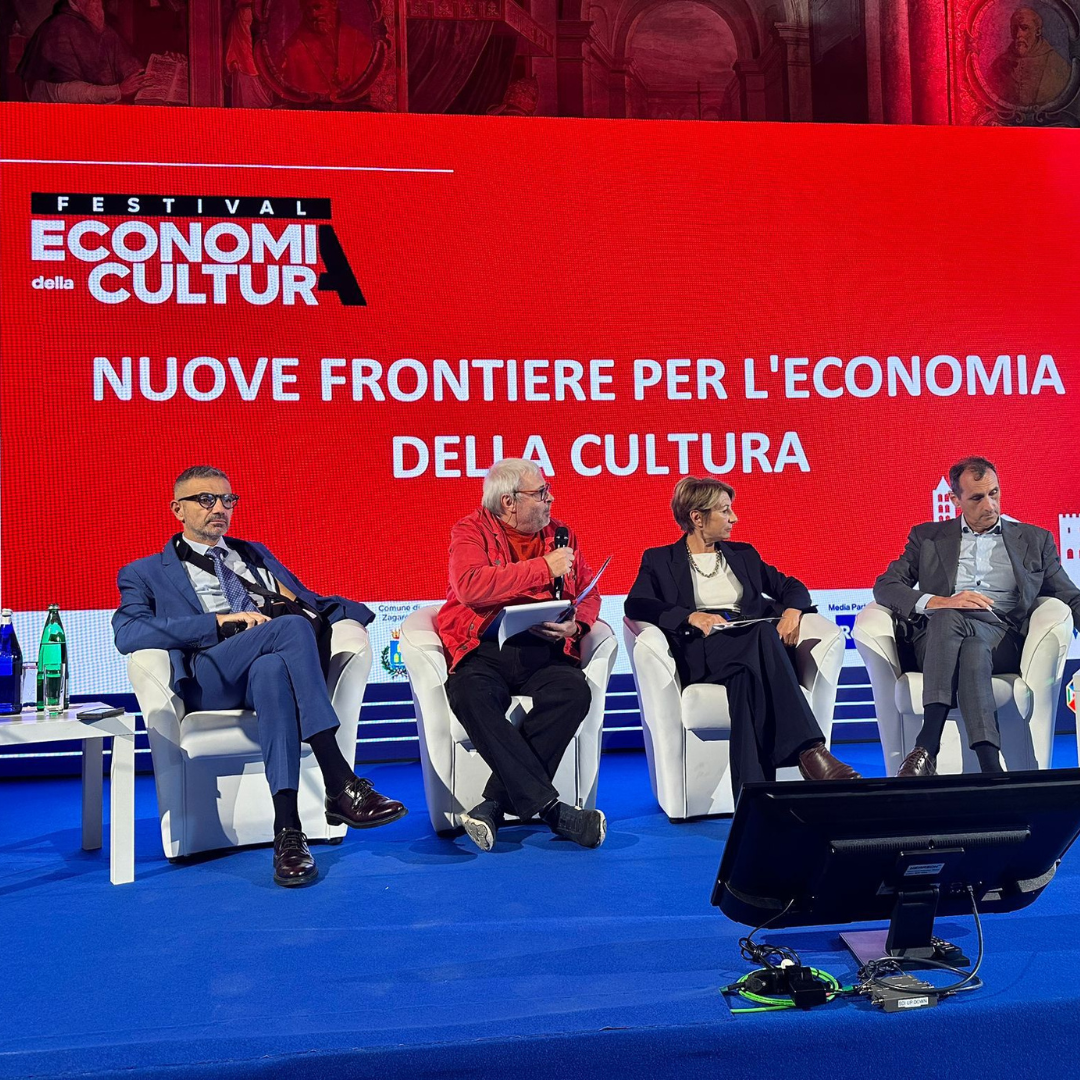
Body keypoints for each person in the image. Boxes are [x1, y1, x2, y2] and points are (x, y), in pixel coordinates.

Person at [113, 466, 407, 887]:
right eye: (206, 500)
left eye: (227, 500)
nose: (219, 508)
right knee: (289, 630)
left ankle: (288, 834)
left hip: (267, 664)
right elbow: (128, 632)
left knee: (273, 668)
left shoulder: (252, 554)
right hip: (210, 673)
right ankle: (340, 780)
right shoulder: (145, 571)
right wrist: (216, 623)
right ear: (177, 509)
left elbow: (303, 600)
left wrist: (338, 614)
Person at [625, 476, 860, 801]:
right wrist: (689, 617)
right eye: (724, 510)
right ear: (697, 517)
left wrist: (793, 612)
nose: (733, 518)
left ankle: (754, 800)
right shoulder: (660, 559)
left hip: (750, 651)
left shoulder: (743, 555)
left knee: (745, 682)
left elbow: (791, 586)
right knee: (762, 633)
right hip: (703, 651)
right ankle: (810, 750)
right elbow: (636, 603)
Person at [874, 455, 1080, 777]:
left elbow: (1069, 596)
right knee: (958, 630)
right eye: (977, 498)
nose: (990, 506)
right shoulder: (927, 537)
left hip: (1000, 636)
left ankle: (926, 745)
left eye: (994, 493)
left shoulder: (1034, 540)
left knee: (966, 635)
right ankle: (990, 767)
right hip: (937, 640)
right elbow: (886, 585)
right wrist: (941, 602)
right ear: (955, 500)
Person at [438, 459, 606, 852]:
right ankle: (554, 812)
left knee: (574, 692)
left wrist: (576, 626)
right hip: (484, 647)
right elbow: (470, 586)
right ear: (509, 502)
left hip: (542, 649)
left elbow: (589, 592)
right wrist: (542, 568)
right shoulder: (470, 530)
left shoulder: (561, 534)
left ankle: (493, 805)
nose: (550, 499)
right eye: (541, 493)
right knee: (470, 694)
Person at [16, 0, 145, 104]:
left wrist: (146, 76)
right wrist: (117, 91)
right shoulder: (58, 28)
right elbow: (61, 93)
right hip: (60, 117)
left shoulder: (106, 28)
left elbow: (129, 66)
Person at [278, 0, 372, 99]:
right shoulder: (291, 51)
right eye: (308, 10)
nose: (314, 14)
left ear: (334, 4)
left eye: (318, 7)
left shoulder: (359, 41)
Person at [988, 7, 1071, 107]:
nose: (1018, 34)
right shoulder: (999, 65)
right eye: (1014, 28)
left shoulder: (1058, 65)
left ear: (1038, 31)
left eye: (1025, 28)